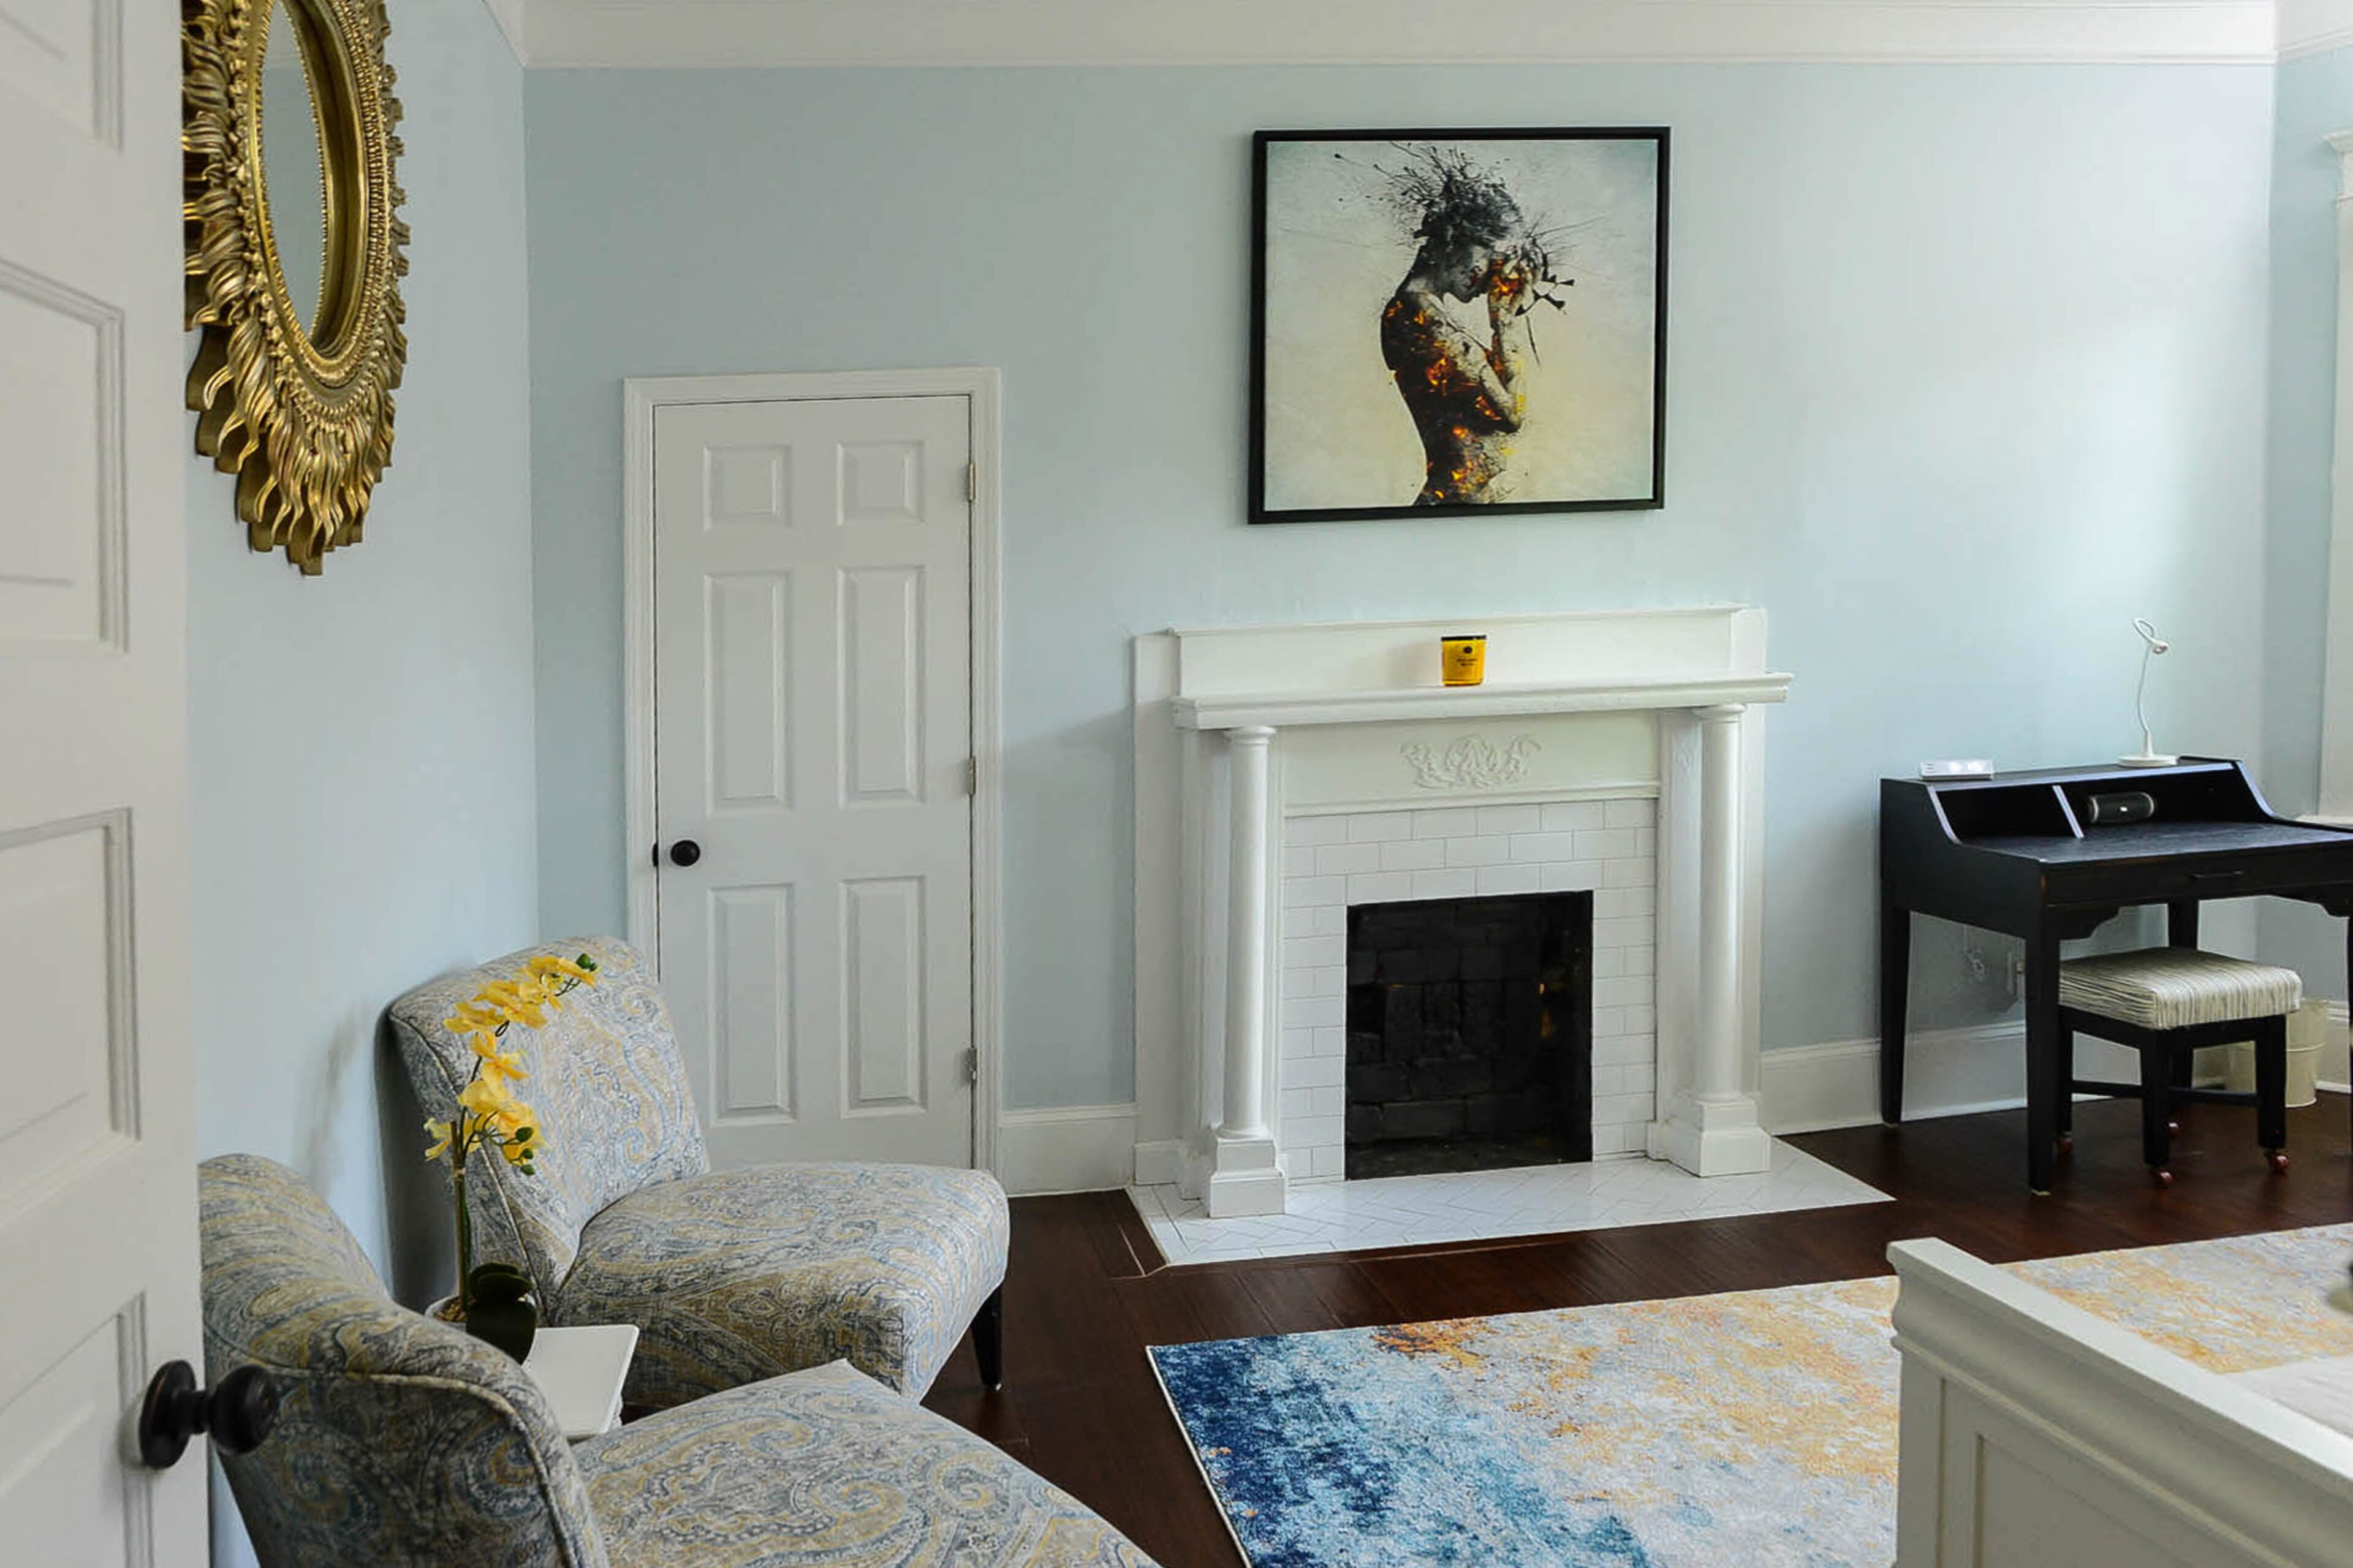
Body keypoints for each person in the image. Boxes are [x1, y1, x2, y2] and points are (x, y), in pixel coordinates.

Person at [1378, 152, 1560, 507]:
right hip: (1453, 503)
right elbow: (1511, 415)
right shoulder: (1418, 316)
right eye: (1491, 259)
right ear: (1454, 238)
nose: (1494, 278)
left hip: (1466, 504)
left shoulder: (1427, 313)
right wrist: (1503, 322)